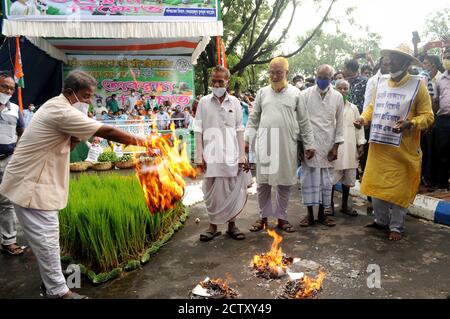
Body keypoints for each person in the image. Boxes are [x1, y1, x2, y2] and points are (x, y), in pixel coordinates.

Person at [0, 70, 147, 299]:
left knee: (46, 240)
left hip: (35, 181)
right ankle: (59, 293)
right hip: (32, 185)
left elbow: (67, 143)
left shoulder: (60, 106)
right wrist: (146, 142)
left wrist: (77, 135)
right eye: (86, 96)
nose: (89, 101)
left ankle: (51, 285)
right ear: (70, 93)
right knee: (48, 241)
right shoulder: (59, 109)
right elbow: (106, 131)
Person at [354, 44, 434, 241]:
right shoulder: (381, 83)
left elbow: (428, 116)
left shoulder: (418, 85)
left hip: (403, 149)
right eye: (389, 57)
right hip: (380, 147)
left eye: (395, 58)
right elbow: (372, 107)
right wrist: (363, 119)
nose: (389, 61)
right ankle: (381, 220)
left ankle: (396, 226)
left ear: (406, 63)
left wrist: (411, 123)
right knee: (377, 184)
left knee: (399, 188)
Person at [245, 57, 315, 233]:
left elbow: (304, 121)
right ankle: (263, 217)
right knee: (263, 183)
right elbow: (253, 120)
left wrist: (309, 145)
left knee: (284, 183)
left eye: (279, 72)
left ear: (286, 73)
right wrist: (247, 140)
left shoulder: (296, 94)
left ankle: (282, 218)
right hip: (265, 143)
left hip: (286, 145)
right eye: (272, 72)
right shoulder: (262, 92)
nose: (275, 76)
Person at [194, 66, 249, 242]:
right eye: (214, 80)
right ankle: (213, 227)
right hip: (210, 155)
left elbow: (240, 129)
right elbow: (198, 130)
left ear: (228, 82)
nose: (217, 83)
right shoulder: (203, 102)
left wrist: (242, 155)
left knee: (232, 190)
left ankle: (232, 226)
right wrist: (198, 155)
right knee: (211, 190)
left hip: (232, 154)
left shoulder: (235, 103)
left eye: (220, 81)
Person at [299, 65, 344, 227]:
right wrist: (303, 145)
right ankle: (309, 215)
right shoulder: (304, 95)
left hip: (328, 146)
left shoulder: (338, 97)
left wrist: (336, 147)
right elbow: (301, 122)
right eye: (320, 76)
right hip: (310, 145)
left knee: (326, 182)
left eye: (326, 78)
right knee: (308, 181)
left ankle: (322, 215)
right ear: (316, 75)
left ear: (331, 79)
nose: (322, 80)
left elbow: (340, 124)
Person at [331, 79, 366, 216]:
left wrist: (361, 145)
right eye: (340, 88)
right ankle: (329, 206)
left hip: (351, 148)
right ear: (335, 89)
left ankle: (345, 205)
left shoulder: (354, 108)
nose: (343, 91)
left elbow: (359, 128)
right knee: (332, 180)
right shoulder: (330, 107)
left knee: (348, 179)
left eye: (345, 88)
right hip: (336, 149)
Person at [0, 71, 25, 256]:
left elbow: (21, 132)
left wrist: (18, 150)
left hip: (7, 160)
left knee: (6, 201)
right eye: (4, 87)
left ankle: (9, 241)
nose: (8, 91)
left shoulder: (15, 109)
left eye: (11, 88)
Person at [433, 46, 450, 192]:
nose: (447, 60)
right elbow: (436, 100)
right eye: (446, 58)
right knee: (442, 151)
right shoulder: (439, 79)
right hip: (443, 119)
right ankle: (443, 183)